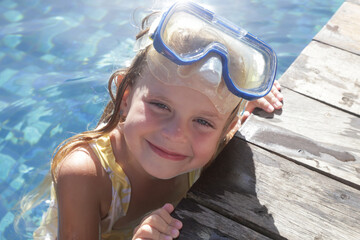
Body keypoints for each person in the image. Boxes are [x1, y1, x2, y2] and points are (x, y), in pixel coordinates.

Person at [19, 2, 283, 239]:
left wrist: (250, 100)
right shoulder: (86, 173)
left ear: (226, 128)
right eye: (160, 105)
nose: (176, 133)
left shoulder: (208, 148)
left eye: (203, 122)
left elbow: (235, 123)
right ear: (126, 97)